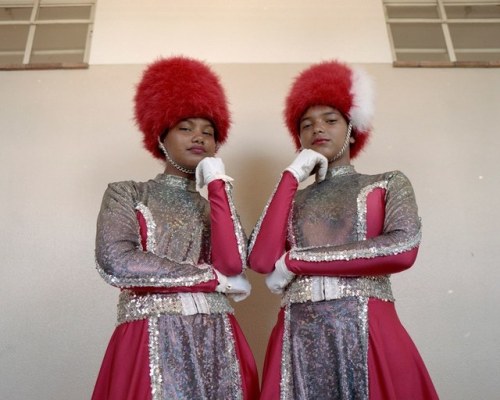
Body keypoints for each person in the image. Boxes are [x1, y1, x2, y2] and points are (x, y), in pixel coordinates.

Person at [247, 60, 438, 399]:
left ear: (353, 128)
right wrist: (290, 176)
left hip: (368, 331)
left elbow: (402, 247)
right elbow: (261, 260)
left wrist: (296, 262)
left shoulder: (387, 182)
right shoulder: (292, 198)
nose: (317, 129)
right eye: (306, 125)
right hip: (297, 335)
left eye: (330, 120)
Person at [92, 56, 259, 400]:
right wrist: (209, 280)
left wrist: (217, 184)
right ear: (161, 134)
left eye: (208, 132)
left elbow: (234, 264)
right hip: (149, 337)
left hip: (218, 338)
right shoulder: (128, 192)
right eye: (186, 127)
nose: (199, 136)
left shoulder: (215, 204)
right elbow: (116, 260)